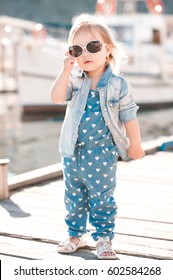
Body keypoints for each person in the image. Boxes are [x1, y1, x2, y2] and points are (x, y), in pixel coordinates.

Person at [50, 14, 145, 259]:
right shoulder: (74, 80)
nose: (85, 54)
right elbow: (56, 97)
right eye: (77, 49)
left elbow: (129, 115)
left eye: (92, 46)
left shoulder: (119, 85)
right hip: (72, 150)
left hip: (101, 151)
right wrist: (65, 69)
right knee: (73, 195)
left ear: (108, 50)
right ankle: (75, 234)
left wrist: (135, 144)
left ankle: (103, 237)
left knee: (101, 196)